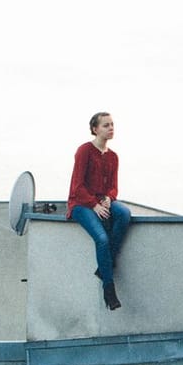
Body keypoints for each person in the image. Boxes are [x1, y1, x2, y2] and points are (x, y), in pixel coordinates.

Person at [68, 111, 130, 310]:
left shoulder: (113, 157)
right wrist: (94, 204)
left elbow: (114, 187)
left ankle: (104, 267)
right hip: (81, 204)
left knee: (124, 214)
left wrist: (109, 199)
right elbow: (77, 186)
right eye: (106, 125)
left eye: (112, 124)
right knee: (101, 238)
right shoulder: (84, 151)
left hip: (103, 202)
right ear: (95, 129)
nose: (111, 128)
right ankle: (108, 289)